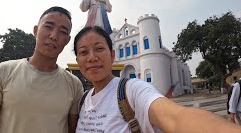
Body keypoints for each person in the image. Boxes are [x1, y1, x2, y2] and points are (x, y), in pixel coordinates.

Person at [73, 26, 241, 133]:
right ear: (77, 61)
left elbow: (176, 118)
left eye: (99, 48)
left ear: (112, 54)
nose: (92, 57)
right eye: (83, 52)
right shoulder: (82, 101)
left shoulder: (131, 90)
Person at [0, 6, 84, 133]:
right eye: (48, 27)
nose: (54, 36)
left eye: (63, 32)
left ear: (67, 40)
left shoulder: (74, 85)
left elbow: (73, 129)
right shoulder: (3, 72)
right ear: (36, 30)